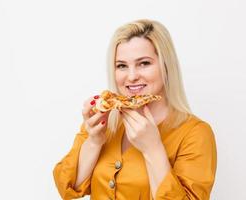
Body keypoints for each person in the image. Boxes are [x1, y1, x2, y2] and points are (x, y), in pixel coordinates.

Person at [53, 19, 217, 200]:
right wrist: (94, 141)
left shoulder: (195, 134)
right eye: (121, 66)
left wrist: (153, 148)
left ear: (166, 66)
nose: (131, 76)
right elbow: (67, 187)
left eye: (144, 63)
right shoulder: (104, 122)